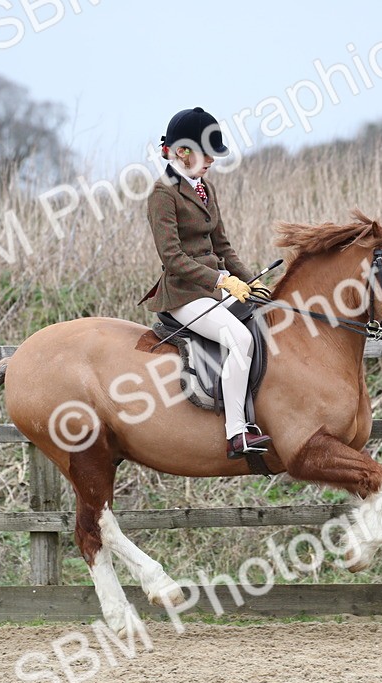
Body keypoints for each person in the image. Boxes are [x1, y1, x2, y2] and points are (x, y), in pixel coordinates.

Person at [139, 107, 273, 459]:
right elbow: (173, 259)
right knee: (240, 339)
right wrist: (223, 280)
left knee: (265, 320)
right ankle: (236, 433)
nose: (212, 160)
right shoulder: (162, 194)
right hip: (184, 295)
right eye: (206, 153)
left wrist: (250, 280)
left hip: (216, 288)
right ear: (183, 152)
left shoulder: (205, 188)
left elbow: (222, 246)